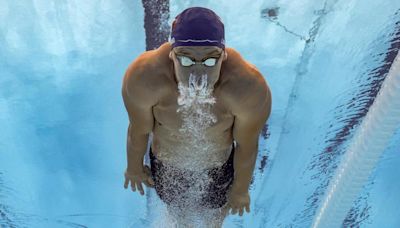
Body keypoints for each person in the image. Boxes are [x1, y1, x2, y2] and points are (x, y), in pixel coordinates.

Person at [122, 6, 272, 227]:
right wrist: (134, 167)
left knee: (215, 218)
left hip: (219, 168)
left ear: (224, 55)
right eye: (187, 60)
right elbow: (139, 130)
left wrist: (239, 191)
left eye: (211, 61)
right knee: (179, 216)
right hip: (167, 166)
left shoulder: (247, 88)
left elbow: (246, 146)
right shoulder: (145, 77)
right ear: (172, 54)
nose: (198, 73)